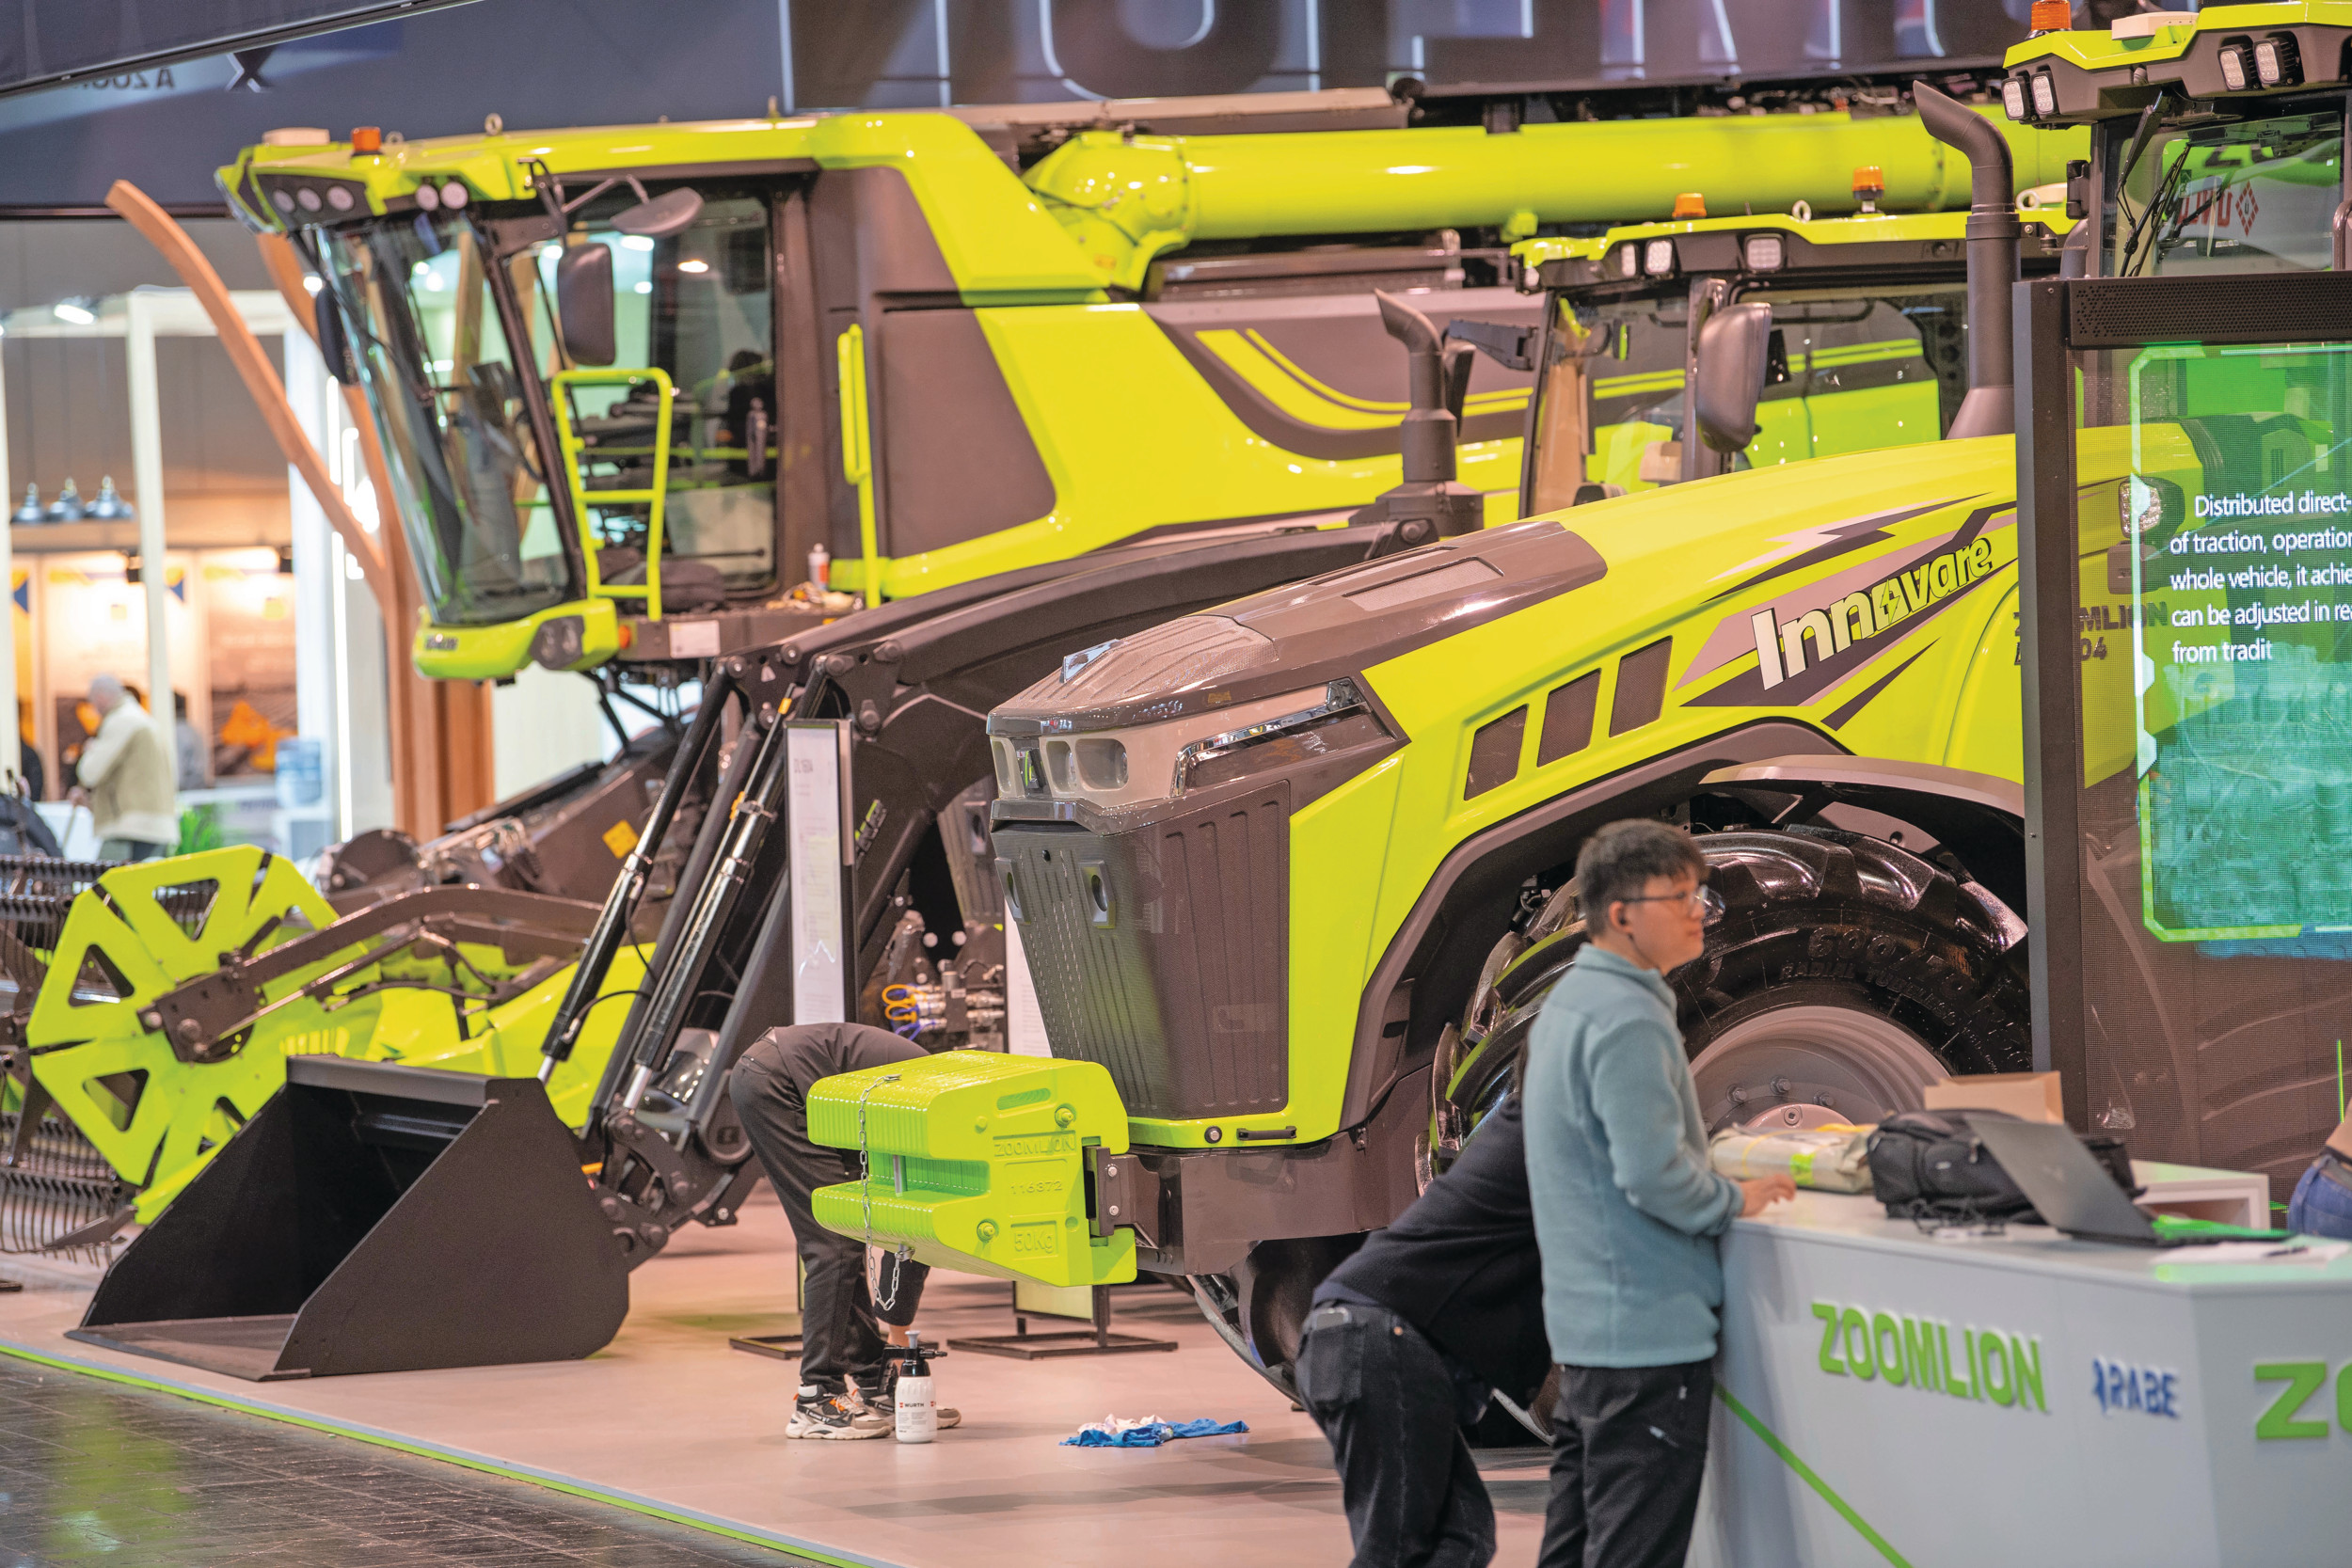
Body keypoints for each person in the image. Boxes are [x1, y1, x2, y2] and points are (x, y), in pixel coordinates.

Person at [1523, 819, 1794, 1568]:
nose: (1699, 910)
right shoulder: (1629, 1016)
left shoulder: (1570, 1004)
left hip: (1588, 1334)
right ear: (1620, 915)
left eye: (1698, 893)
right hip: (1645, 1338)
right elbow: (1651, 1173)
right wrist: (1736, 1198)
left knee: (1575, 1547)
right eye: (1677, 896)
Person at [1296, 1091, 1546, 1568]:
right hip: (1377, 1338)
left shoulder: (1516, 1130)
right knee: (1399, 1553)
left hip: (1346, 1333)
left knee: (1462, 1536)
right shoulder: (1545, 1128)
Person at [727, 1022, 961, 1439]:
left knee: (843, 1235)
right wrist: (900, 1340)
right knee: (833, 1241)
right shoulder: (940, 1111)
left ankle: (872, 1380)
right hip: (777, 1081)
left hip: (779, 1074)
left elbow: (904, 1235)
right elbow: (910, 1239)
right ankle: (815, 1397)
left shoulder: (945, 1094)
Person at [70, 674, 177, 862]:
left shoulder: (120, 721)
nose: (93, 710)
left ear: (101, 697)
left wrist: (90, 750)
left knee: (109, 886)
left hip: (130, 828)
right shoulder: (141, 718)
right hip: (154, 825)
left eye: (92, 703)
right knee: (142, 887)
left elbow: (89, 772)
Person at [172, 692, 210, 791]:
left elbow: (177, 771)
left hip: (186, 790)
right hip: (198, 788)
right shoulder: (193, 730)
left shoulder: (176, 732)